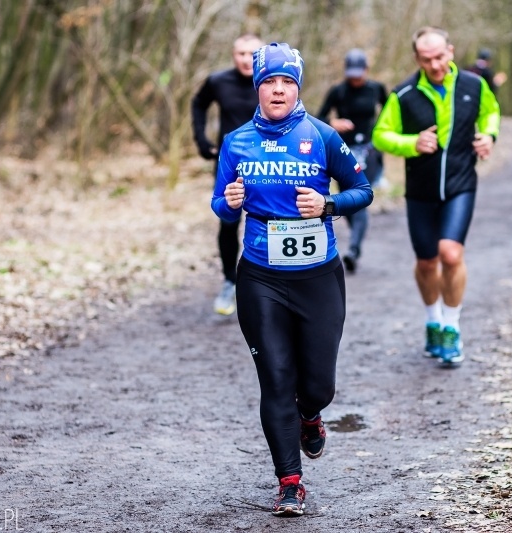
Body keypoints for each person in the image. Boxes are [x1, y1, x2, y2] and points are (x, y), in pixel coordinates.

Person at [211, 42, 373, 516]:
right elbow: (220, 204)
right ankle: (289, 482)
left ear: (297, 87)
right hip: (260, 276)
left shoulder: (321, 136)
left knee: (318, 384)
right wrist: (232, 202)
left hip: (317, 276)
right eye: (269, 82)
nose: (278, 90)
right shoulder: (237, 141)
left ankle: (311, 414)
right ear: (258, 88)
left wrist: (328, 205)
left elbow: (362, 190)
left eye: (286, 82)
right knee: (276, 378)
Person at [372, 27, 500, 366]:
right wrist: (410, 143)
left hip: (460, 184)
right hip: (420, 192)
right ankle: (433, 319)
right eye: (427, 59)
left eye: (440, 56)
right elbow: (381, 135)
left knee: (451, 253)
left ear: (452, 51)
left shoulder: (474, 85)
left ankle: (452, 328)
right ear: (417, 59)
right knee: (427, 261)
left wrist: (488, 135)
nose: (435, 64)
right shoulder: (403, 95)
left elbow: (491, 112)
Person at [191, 33, 263, 315]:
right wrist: (202, 141)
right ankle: (229, 282)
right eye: (241, 53)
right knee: (228, 223)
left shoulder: (271, 82)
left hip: (269, 165)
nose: (246, 59)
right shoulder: (218, 81)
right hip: (230, 165)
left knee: (271, 221)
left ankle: (266, 287)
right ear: (233, 55)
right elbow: (198, 104)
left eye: (252, 53)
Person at [316, 48, 388, 273]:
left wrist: (379, 134)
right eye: (352, 74)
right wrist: (333, 123)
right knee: (347, 201)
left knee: (361, 196)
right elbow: (319, 118)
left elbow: (390, 114)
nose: (355, 78)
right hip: (342, 152)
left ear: (367, 70)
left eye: (359, 73)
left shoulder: (377, 89)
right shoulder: (338, 91)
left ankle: (353, 250)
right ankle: (354, 246)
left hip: (368, 150)